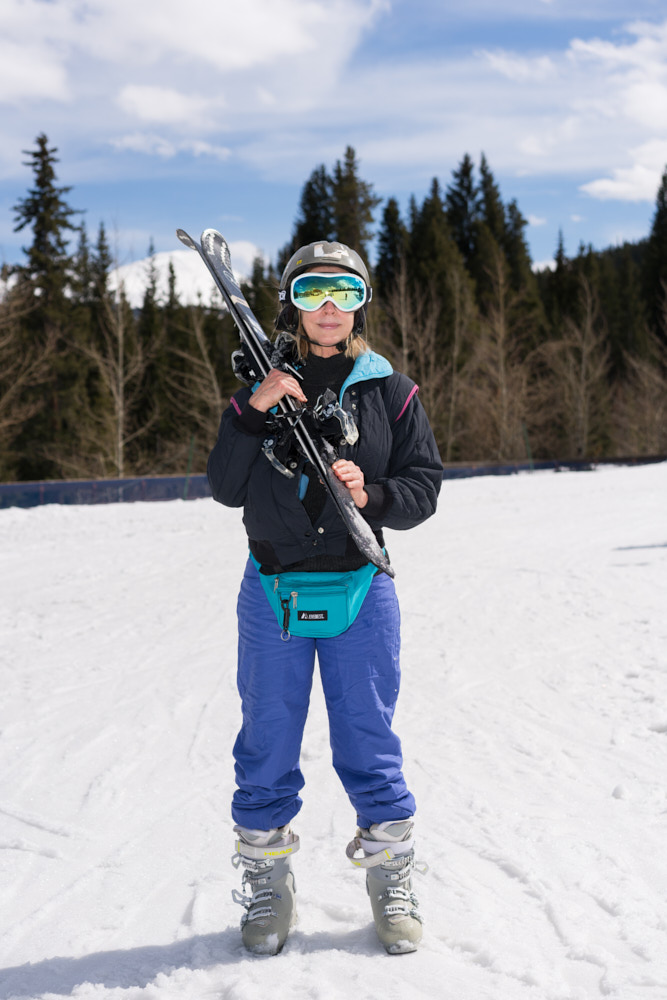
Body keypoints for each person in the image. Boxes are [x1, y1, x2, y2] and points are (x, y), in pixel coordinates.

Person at [207, 240, 443, 956]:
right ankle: (267, 883)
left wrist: (369, 493)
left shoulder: (390, 390)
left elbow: (423, 488)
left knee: (367, 737)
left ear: (361, 301)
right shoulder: (259, 385)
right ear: (292, 303)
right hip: (274, 585)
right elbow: (224, 487)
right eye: (312, 292)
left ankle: (389, 876)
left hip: (360, 583)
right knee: (267, 737)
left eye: (343, 291)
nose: (329, 307)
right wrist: (254, 410)